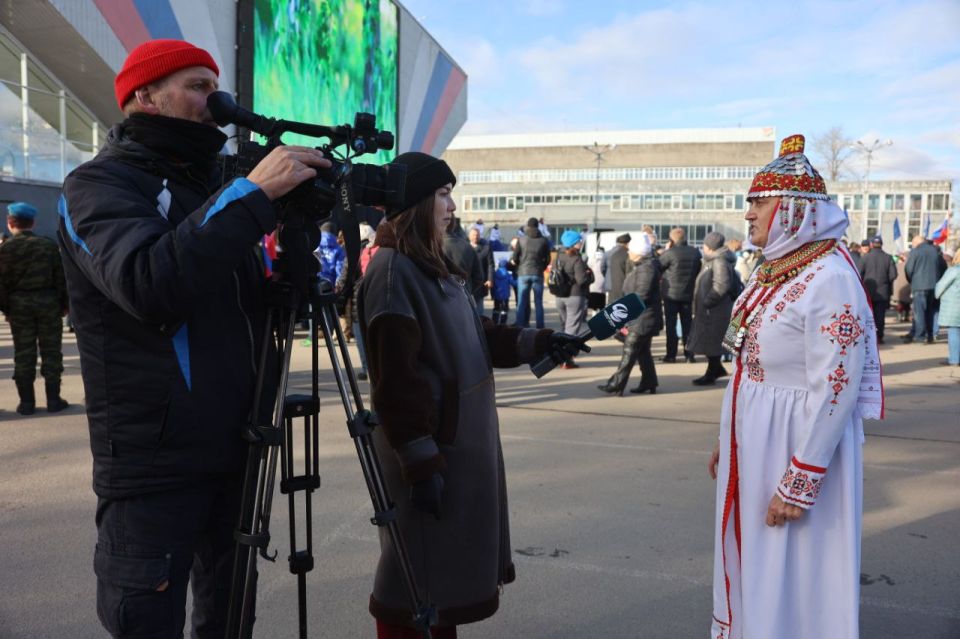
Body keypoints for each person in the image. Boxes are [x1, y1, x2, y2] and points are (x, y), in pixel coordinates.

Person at [57, 39, 332, 638]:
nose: (219, 100)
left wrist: (289, 271)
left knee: (230, 621)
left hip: (241, 449)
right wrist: (252, 197)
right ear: (145, 97)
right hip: (155, 466)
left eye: (216, 85)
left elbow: (225, 306)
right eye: (198, 87)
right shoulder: (95, 186)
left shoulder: (216, 188)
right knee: (147, 622)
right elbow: (150, 283)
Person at [356, 151, 587, 638]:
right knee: (413, 589)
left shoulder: (429, 264)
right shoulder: (394, 272)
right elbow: (394, 382)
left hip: (454, 452)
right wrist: (420, 463)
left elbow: (474, 335)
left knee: (442, 591)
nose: (453, 206)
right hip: (432, 455)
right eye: (442, 195)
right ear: (416, 201)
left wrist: (540, 341)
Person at [707, 134, 882, 639]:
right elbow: (747, 365)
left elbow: (837, 387)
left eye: (759, 203)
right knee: (758, 561)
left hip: (796, 444)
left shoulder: (829, 277)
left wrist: (800, 481)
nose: (749, 215)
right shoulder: (776, 271)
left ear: (795, 210)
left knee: (797, 567)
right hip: (759, 438)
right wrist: (729, 435)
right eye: (750, 204)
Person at [0, 201, 70, 414]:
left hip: (19, 306)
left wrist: (7, 309)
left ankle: (27, 403)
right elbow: (62, 279)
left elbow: (1, 285)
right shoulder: (48, 246)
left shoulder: (5, 249)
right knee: (51, 352)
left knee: (23, 353)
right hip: (48, 304)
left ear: (10, 223)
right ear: (33, 222)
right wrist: (64, 305)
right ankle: (53, 400)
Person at [597, 234, 662, 395]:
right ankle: (649, 382)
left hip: (642, 319)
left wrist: (624, 312)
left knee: (629, 350)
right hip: (642, 318)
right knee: (643, 352)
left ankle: (617, 383)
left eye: (631, 250)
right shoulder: (642, 266)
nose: (628, 253)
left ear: (639, 252)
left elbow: (641, 295)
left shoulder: (646, 269)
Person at [687, 231, 735, 385]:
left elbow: (721, 285)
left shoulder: (719, 261)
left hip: (714, 310)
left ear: (710, 247)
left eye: (705, 245)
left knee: (712, 342)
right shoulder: (711, 260)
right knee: (710, 342)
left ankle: (712, 372)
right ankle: (715, 369)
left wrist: (707, 302)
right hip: (710, 310)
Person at [658, 227, 702, 363]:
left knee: (671, 326)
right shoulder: (695, 252)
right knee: (687, 325)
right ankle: (689, 355)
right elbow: (698, 269)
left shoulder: (669, 253)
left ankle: (671, 355)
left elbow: (658, 267)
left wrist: (665, 250)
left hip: (671, 294)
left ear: (671, 240)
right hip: (688, 293)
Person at [553, 230, 591, 368]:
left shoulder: (558, 256)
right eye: (579, 241)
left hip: (559, 296)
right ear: (574, 244)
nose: (581, 243)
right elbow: (581, 280)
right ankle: (566, 359)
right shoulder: (577, 259)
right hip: (574, 296)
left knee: (564, 328)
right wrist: (588, 275)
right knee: (572, 330)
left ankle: (562, 357)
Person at [903, 234, 947, 343]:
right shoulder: (935, 251)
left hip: (919, 286)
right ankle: (930, 335)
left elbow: (908, 269)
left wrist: (912, 281)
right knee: (930, 311)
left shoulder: (915, 252)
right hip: (934, 286)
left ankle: (920, 335)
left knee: (919, 312)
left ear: (916, 243)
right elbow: (942, 268)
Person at [510, 216, 551, 328]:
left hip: (523, 273)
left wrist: (520, 266)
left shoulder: (522, 240)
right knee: (538, 303)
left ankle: (520, 325)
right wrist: (541, 267)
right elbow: (548, 259)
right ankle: (540, 327)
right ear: (538, 226)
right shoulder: (543, 240)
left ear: (528, 226)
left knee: (522, 303)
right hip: (537, 273)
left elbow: (515, 257)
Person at [858, 235, 898, 343]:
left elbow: (858, 274)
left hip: (868, 291)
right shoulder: (888, 257)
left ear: (871, 245)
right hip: (883, 291)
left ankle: (869, 337)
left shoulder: (865, 258)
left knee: (868, 315)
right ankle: (879, 337)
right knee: (880, 315)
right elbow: (893, 275)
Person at [934, 251, 960, 366]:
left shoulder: (954, 270)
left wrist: (937, 295)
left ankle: (954, 359)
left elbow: (941, 285)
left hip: (955, 305)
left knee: (954, 331)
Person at [468, 226, 494, 312]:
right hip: (467, 282)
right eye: (474, 235)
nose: (475, 237)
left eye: (477, 235)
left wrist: (490, 279)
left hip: (481, 282)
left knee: (479, 308)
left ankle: (480, 323)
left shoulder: (486, 248)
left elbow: (490, 265)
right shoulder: (465, 247)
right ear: (469, 236)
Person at [605, 233, 632, 305]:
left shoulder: (612, 254)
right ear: (628, 243)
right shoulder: (628, 255)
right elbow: (630, 273)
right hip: (624, 290)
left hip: (612, 289)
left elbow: (603, 269)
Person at [491, 258, 515, 325]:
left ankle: (494, 321)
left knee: (496, 308)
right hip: (505, 296)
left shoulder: (495, 274)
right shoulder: (508, 274)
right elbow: (513, 283)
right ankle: (502, 323)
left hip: (497, 295)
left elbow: (493, 285)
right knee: (504, 310)